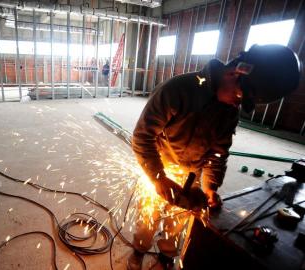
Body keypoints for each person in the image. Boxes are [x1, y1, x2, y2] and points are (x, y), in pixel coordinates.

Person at [128, 44, 301, 270]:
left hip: (191, 174)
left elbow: (218, 153)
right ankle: (139, 250)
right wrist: (159, 178)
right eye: (238, 95)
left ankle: (166, 255)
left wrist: (210, 187)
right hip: (160, 167)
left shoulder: (229, 110)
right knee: (148, 218)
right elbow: (142, 138)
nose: (236, 103)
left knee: (178, 220)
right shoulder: (177, 90)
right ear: (236, 72)